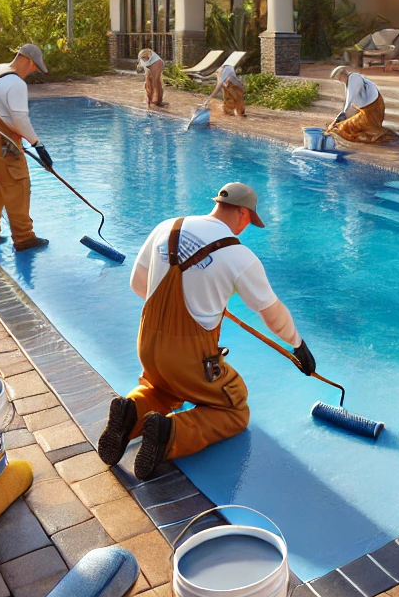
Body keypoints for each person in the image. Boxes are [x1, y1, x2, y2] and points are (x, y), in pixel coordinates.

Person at [98, 182, 316, 480]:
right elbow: (272, 313)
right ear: (242, 212)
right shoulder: (239, 256)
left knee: (162, 387)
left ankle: (132, 411)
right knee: (234, 407)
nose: (246, 228)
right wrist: (298, 345)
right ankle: (169, 434)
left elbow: (139, 286)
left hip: (147, 345)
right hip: (189, 359)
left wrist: (195, 296)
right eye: (249, 221)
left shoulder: (168, 227)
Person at [0, 43, 51, 253]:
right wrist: (39, 146)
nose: (34, 71)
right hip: (3, 141)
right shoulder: (16, 83)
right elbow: (19, 120)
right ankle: (24, 237)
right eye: (35, 66)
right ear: (28, 60)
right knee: (17, 183)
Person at [326, 65, 396, 144]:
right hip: (365, 109)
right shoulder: (349, 81)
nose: (339, 80)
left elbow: (349, 99)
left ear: (343, 75)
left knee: (348, 127)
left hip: (372, 108)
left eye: (339, 78)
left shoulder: (354, 78)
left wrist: (340, 116)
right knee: (349, 126)